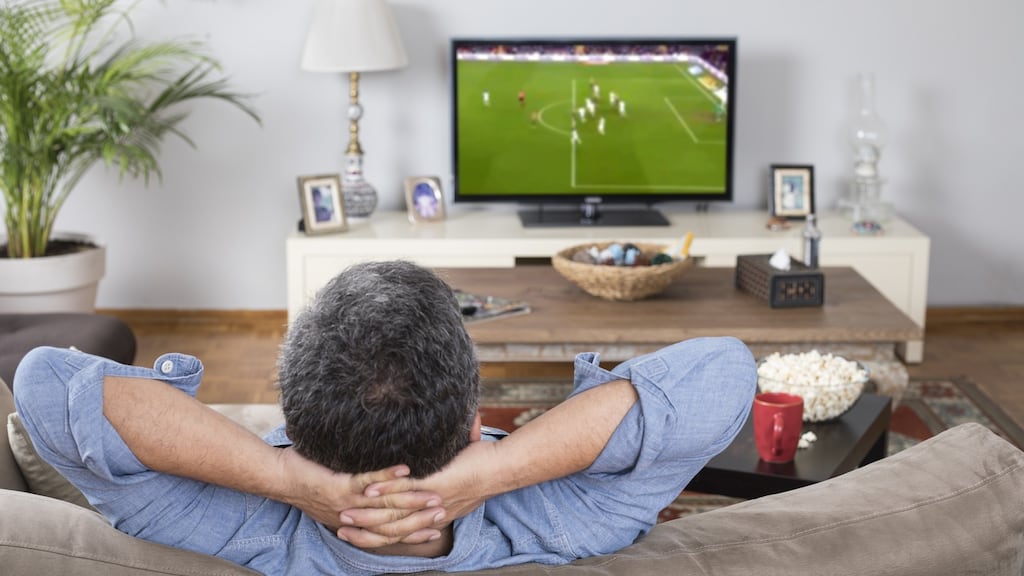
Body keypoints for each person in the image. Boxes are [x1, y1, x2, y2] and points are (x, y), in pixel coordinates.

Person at [13, 261, 756, 575]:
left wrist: (278, 475)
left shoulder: (227, 523)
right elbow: (723, 367)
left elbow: (47, 383)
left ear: (296, 428)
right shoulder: (575, 514)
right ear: (472, 419)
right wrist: (492, 472)